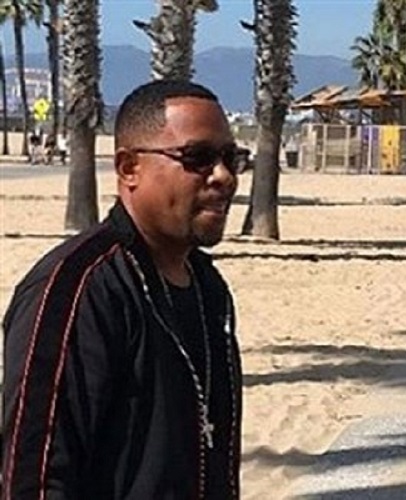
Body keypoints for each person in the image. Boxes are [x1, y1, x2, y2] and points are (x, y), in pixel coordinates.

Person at [2, 80, 247, 498]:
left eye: (231, 158)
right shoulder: (75, 289)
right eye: (198, 158)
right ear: (129, 168)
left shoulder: (209, 288)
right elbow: (36, 476)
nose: (223, 176)